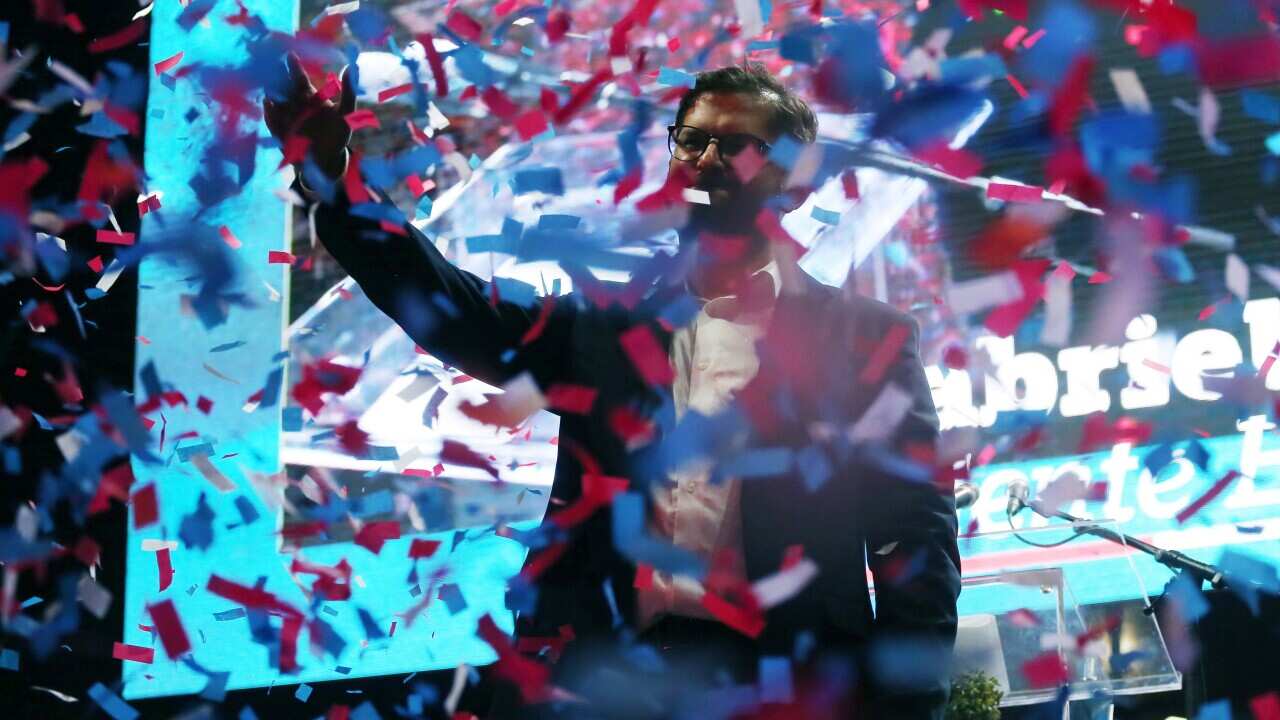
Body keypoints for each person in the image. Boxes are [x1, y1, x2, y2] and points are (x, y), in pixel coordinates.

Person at [265, 58, 960, 719]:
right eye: (691, 141)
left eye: (736, 144)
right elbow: (454, 306)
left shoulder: (867, 339)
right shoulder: (600, 323)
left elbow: (916, 542)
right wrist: (336, 181)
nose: (706, 161)